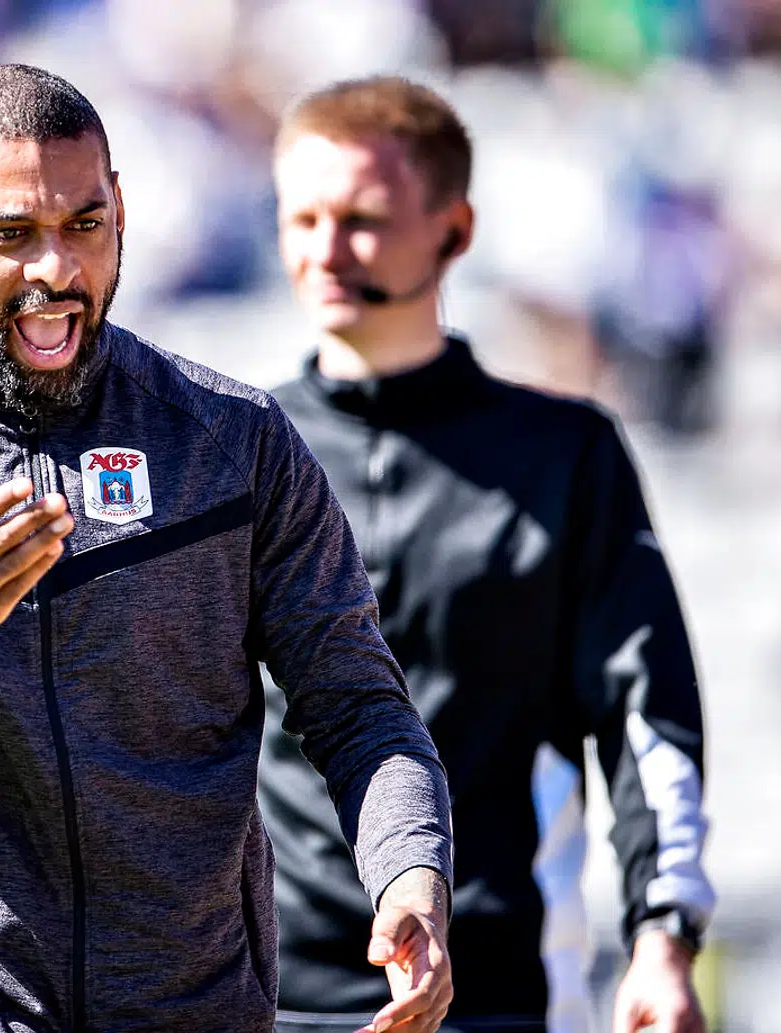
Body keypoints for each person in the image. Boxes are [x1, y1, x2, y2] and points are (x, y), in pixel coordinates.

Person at [0, 64, 455, 1033]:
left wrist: (411, 875)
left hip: (195, 1011)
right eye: (9, 235)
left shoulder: (233, 444)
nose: (55, 271)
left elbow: (361, 708)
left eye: (83, 224)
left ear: (121, 208)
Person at [256, 77, 715, 1033]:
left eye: (363, 220)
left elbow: (645, 707)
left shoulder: (565, 456)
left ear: (454, 230)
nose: (324, 251)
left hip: (502, 996)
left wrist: (661, 938)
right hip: (262, 1000)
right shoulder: (237, 452)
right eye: (301, 218)